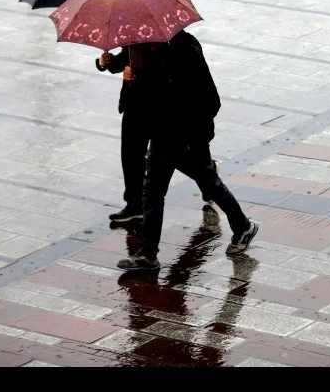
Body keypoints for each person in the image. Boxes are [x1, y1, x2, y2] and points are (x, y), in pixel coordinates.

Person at [115, 31, 258, 270]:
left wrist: (190, 134)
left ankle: (243, 226)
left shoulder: (186, 48)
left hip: (189, 133)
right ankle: (148, 253)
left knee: (207, 180)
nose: (142, 38)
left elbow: (211, 100)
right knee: (152, 191)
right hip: (161, 133)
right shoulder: (143, 51)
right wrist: (132, 82)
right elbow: (147, 98)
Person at [96, 46, 218, 224]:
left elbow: (171, 74)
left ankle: (208, 175)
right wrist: (108, 63)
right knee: (131, 155)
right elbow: (125, 59)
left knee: (169, 157)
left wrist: (138, 75)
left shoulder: (170, 44)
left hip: (157, 107)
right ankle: (134, 205)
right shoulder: (135, 34)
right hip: (133, 103)